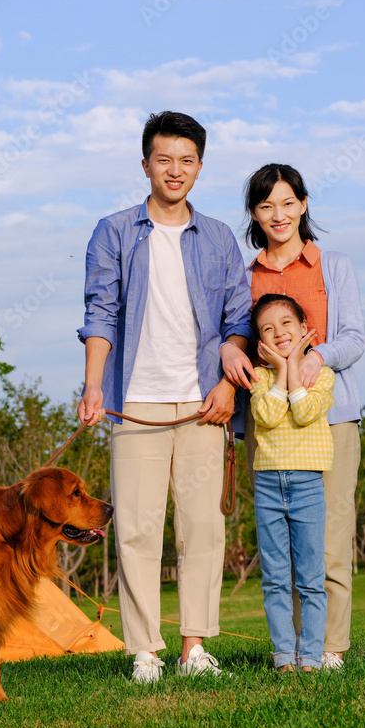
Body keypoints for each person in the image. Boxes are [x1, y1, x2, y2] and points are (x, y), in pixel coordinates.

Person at [77, 111, 253, 683]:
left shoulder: (221, 237)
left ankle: (194, 647)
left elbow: (239, 319)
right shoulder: (115, 231)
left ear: (199, 167)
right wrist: (92, 386)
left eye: (186, 160)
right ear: (146, 164)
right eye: (164, 159)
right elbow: (100, 310)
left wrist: (228, 386)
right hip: (136, 403)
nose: (174, 170)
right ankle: (144, 651)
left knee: (202, 529)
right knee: (135, 527)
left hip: (204, 405)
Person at [222, 163, 364, 671]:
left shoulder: (335, 266)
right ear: (254, 215)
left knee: (328, 538)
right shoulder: (244, 276)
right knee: (282, 547)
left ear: (303, 204)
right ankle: (292, 650)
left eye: (287, 203)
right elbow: (238, 337)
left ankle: (329, 650)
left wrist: (315, 357)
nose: (277, 215)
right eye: (265, 206)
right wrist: (227, 351)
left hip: (332, 417)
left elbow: (354, 337)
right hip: (267, 423)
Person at [249, 293, 334, 672]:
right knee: (276, 578)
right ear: (261, 343)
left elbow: (303, 411)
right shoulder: (259, 378)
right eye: (268, 329)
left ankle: (312, 657)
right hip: (268, 486)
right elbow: (267, 415)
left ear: (304, 329)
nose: (279, 332)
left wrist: (295, 366)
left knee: (312, 578)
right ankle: (284, 656)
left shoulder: (322, 375)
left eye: (286, 324)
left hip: (307, 484)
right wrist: (282, 370)